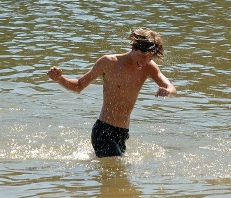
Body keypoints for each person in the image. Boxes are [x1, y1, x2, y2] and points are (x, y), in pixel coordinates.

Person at [47, 29, 177, 158]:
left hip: (122, 132)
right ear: (134, 47)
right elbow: (79, 86)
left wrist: (167, 91)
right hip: (104, 130)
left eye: (149, 58)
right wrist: (60, 79)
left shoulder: (149, 67)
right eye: (143, 56)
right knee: (118, 170)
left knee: (116, 171)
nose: (144, 62)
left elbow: (171, 87)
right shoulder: (108, 62)